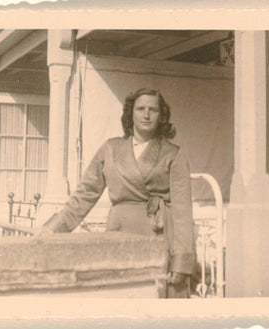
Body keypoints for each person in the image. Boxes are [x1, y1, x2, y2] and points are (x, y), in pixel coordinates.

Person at [37, 88, 195, 298]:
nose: (146, 115)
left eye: (153, 110)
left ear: (161, 116)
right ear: (130, 114)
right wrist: (53, 228)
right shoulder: (110, 149)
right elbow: (85, 194)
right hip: (118, 232)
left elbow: (183, 212)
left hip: (157, 236)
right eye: (140, 109)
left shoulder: (173, 154)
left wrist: (181, 261)